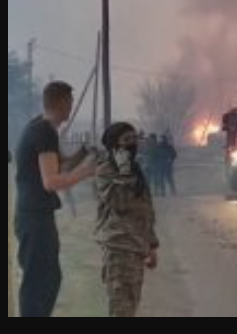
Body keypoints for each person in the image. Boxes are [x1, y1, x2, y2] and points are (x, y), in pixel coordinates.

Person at [14, 81, 96, 317]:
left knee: (48, 278)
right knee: (39, 282)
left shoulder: (40, 128)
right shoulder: (44, 131)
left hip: (36, 217)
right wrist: (88, 172)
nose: (71, 106)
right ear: (61, 103)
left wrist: (84, 153)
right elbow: (51, 182)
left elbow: (62, 165)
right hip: (34, 218)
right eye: (70, 101)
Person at [95, 123, 159, 317]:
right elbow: (120, 203)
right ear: (114, 145)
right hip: (119, 249)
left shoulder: (135, 171)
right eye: (126, 140)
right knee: (121, 311)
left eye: (134, 138)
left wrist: (152, 245)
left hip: (137, 249)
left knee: (130, 308)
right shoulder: (105, 171)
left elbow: (145, 210)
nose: (132, 144)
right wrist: (123, 171)